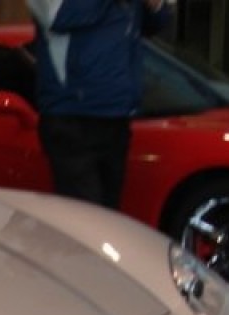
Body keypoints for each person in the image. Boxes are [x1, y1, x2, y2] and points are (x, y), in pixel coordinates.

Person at [26, 0, 171, 209]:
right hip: (72, 116)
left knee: (108, 217)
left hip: (117, 114)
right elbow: (57, 16)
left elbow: (155, 24)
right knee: (86, 218)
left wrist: (155, 6)